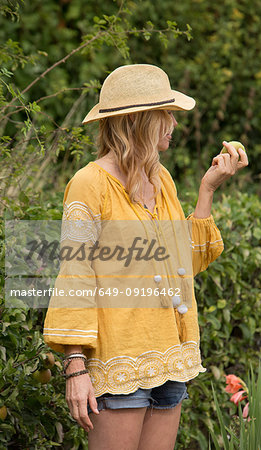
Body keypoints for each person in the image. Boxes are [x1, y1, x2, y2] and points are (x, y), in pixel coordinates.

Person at [43, 64, 248, 450]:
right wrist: (75, 369)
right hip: (118, 364)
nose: (173, 122)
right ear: (138, 120)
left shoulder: (161, 178)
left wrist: (207, 190)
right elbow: (76, 276)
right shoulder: (89, 185)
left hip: (169, 360)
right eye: (166, 114)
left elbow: (183, 263)